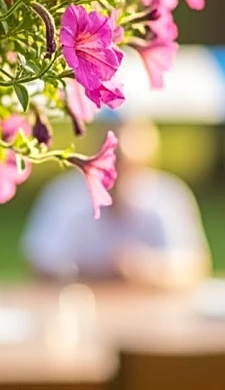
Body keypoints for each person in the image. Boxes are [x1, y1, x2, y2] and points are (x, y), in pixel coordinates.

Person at [21, 119, 210, 289]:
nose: (118, 177)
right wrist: (101, 273)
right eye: (113, 165)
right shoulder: (65, 196)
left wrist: (144, 269)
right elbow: (40, 264)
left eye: (130, 167)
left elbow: (193, 266)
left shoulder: (168, 197)